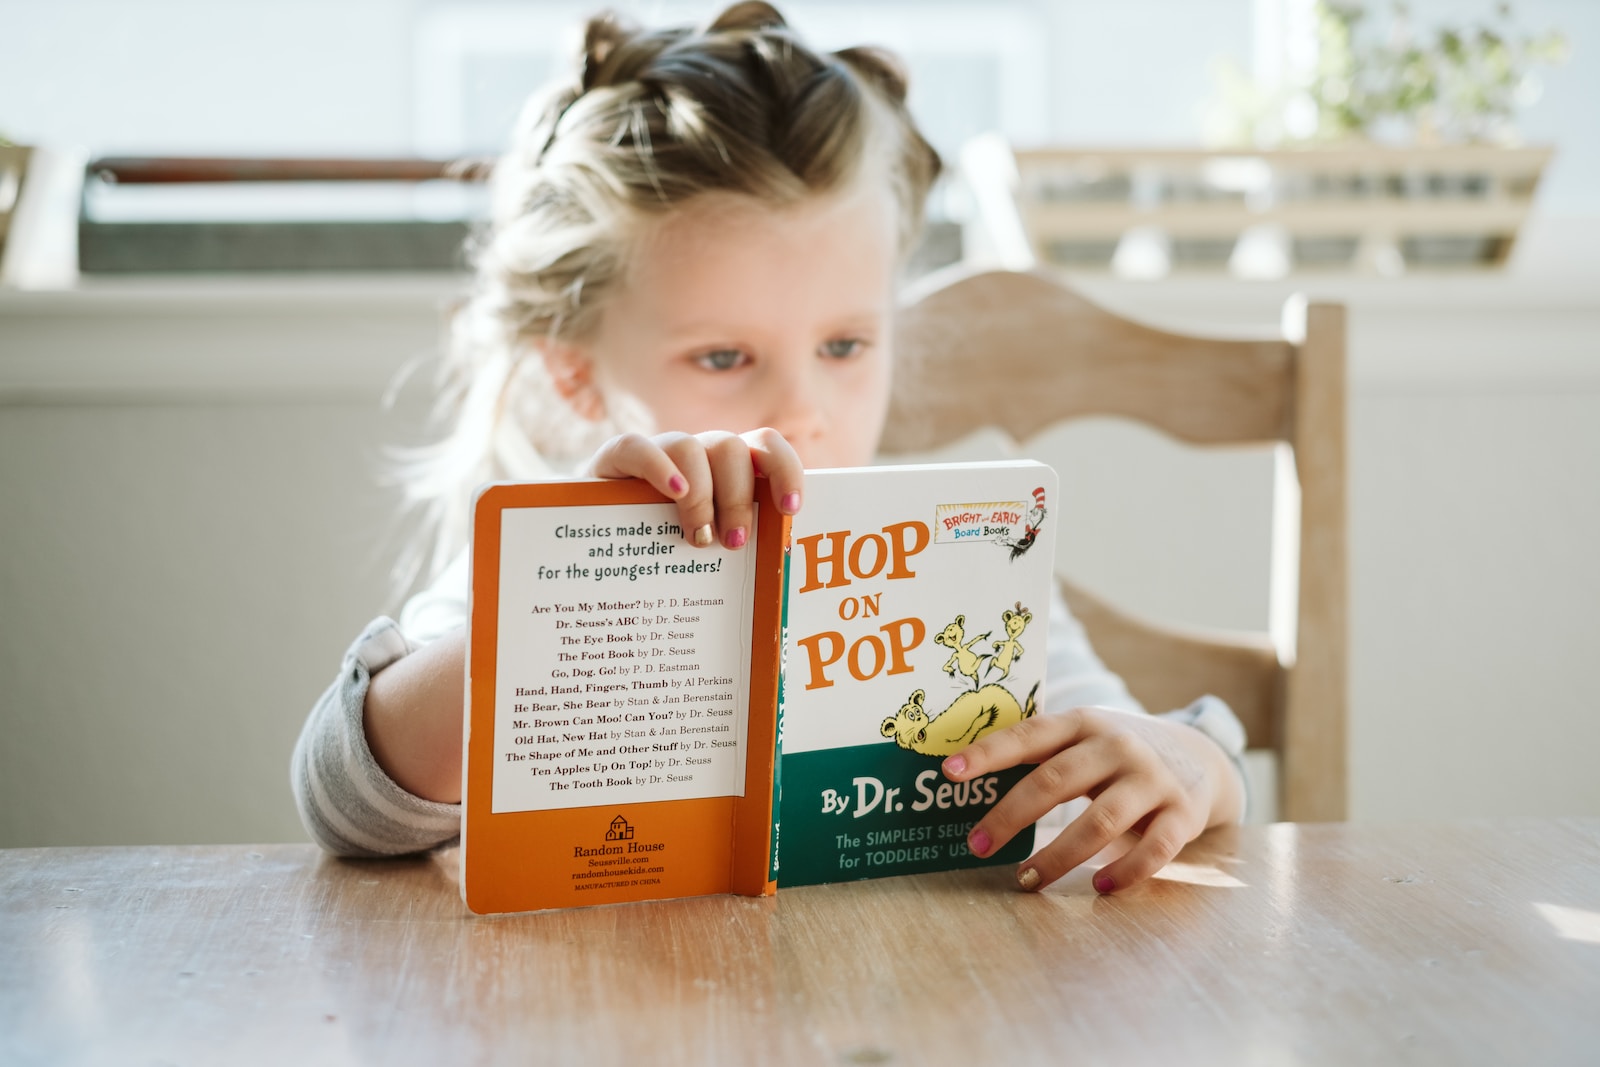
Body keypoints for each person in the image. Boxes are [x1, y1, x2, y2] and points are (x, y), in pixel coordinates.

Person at [292, 1, 1246, 895]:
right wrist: (562, 602)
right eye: (723, 355)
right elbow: (344, 802)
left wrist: (1190, 764)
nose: (801, 408)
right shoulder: (543, 560)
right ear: (576, 374)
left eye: (844, 345)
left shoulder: (965, 560)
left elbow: (1165, 754)